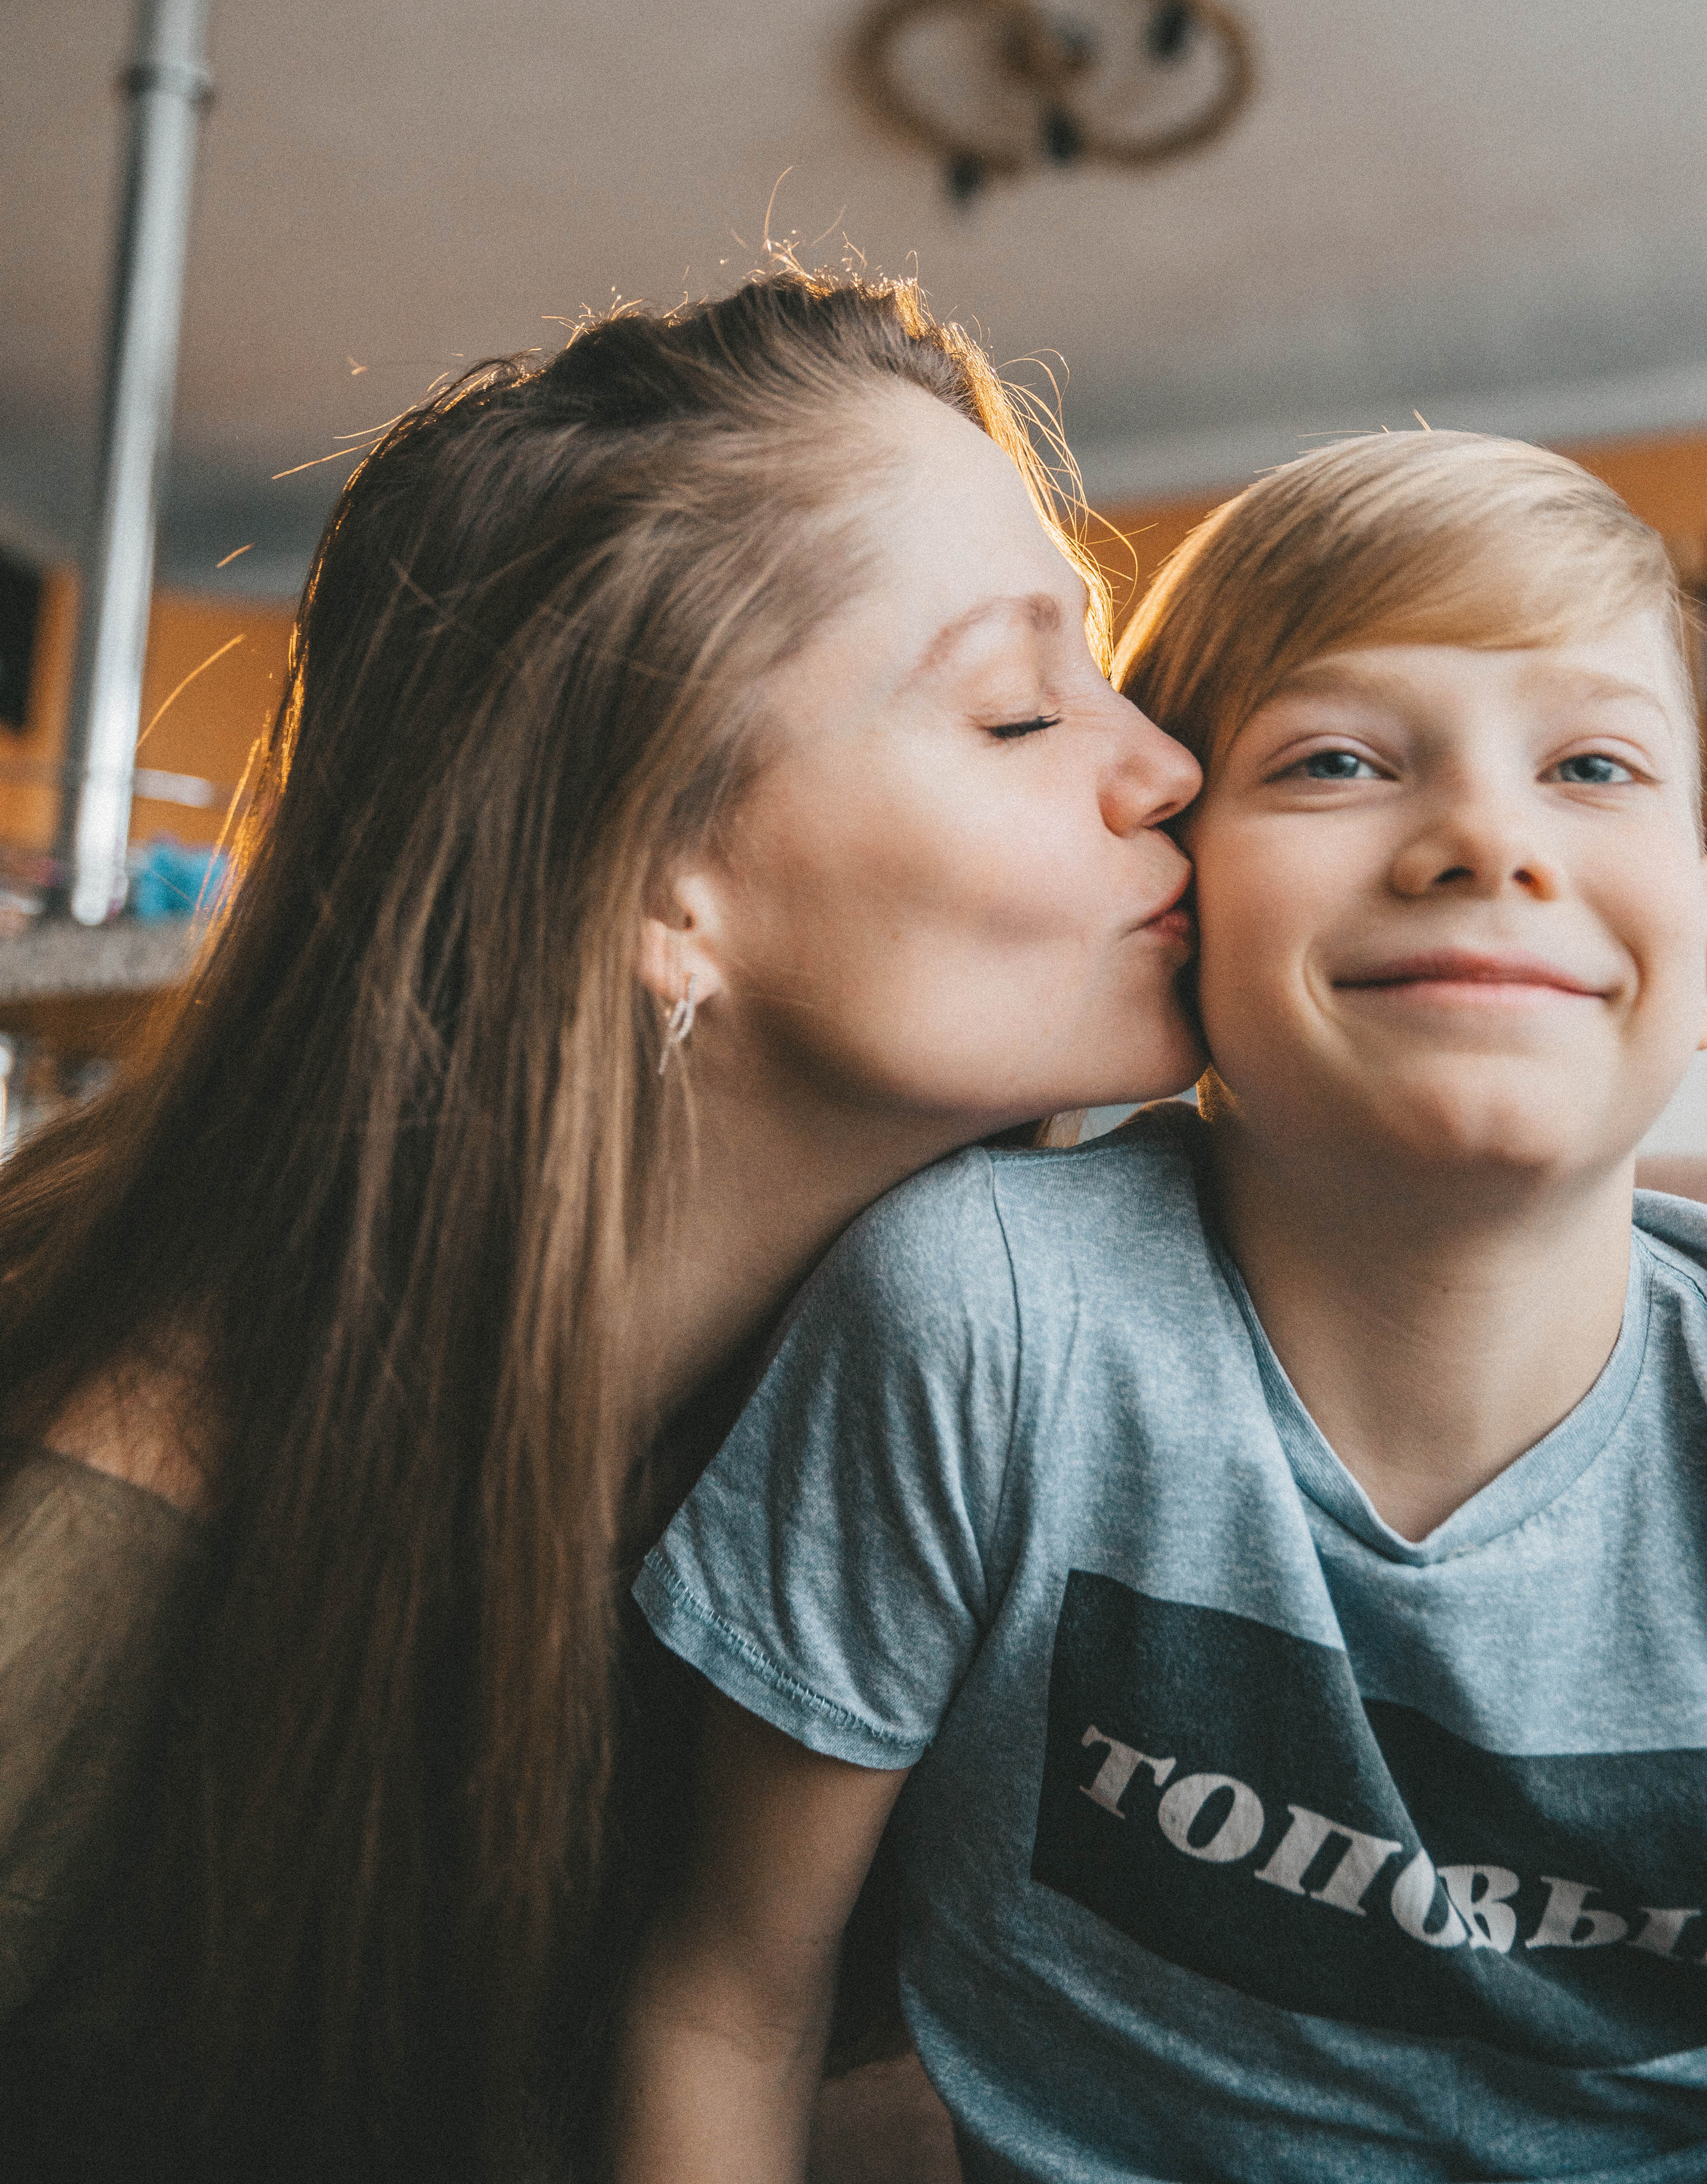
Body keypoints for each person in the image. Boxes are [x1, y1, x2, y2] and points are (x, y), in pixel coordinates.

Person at [0, 265, 1204, 2183]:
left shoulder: (880, 1423)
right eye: (1015, 711)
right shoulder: (94, 1544)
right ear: (661, 878)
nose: (1166, 767)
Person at [614, 431, 1707, 2184]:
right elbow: (729, 1998)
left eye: (1594, 764)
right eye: (1336, 761)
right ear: (1178, 897)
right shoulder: (981, 1325)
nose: (1488, 839)